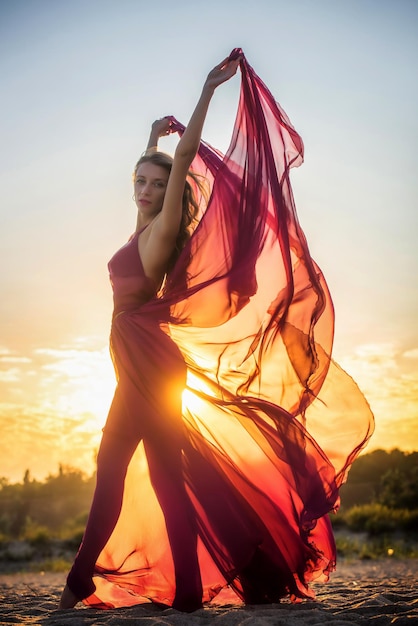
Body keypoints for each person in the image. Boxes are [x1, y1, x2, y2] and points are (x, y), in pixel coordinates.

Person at [59, 49, 374, 612]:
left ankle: (80, 580)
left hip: (148, 370)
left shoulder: (161, 235)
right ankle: (181, 593)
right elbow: (156, 172)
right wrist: (150, 140)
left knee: (114, 471)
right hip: (143, 366)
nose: (144, 189)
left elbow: (181, 160)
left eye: (155, 184)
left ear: (172, 192)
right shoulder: (144, 230)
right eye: (138, 181)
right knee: (162, 479)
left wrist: (205, 92)